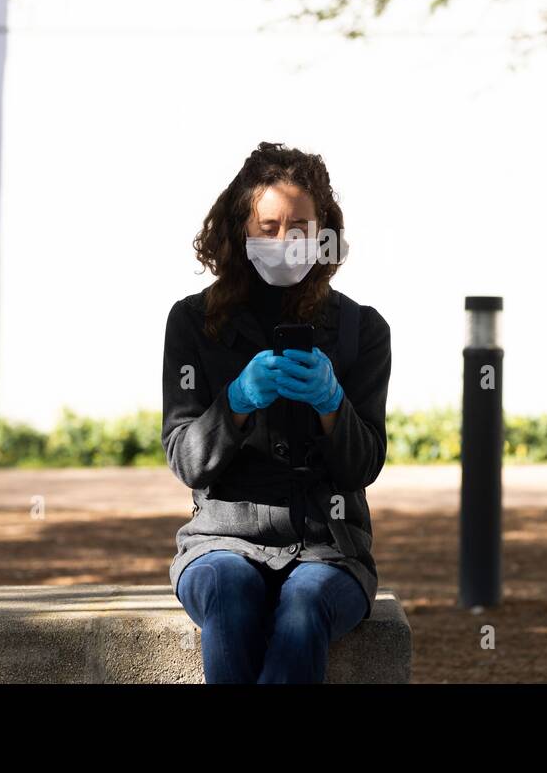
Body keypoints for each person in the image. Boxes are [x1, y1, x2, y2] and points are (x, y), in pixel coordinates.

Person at [162, 141, 392, 683]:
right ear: (241, 230)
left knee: (304, 604)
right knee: (230, 590)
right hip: (221, 542)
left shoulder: (363, 330)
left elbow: (364, 467)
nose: (285, 240)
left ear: (323, 233)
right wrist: (235, 402)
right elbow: (186, 461)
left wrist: (333, 406)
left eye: (301, 226)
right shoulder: (192, 323)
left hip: (329, 550)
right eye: (268, 226)